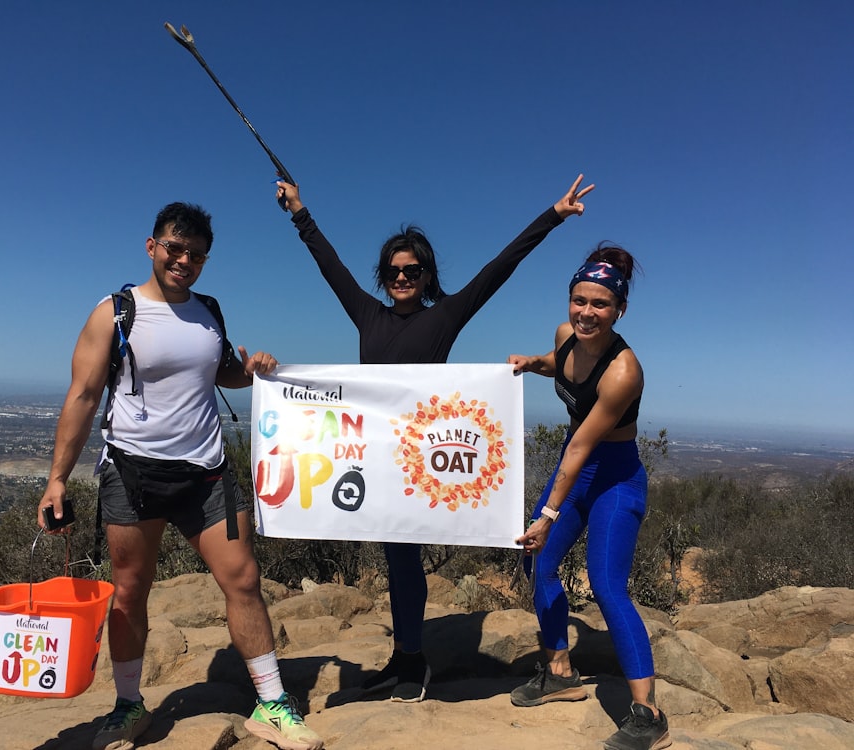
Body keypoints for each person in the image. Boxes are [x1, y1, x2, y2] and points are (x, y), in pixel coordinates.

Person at [275, 175, 594, 703]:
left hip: (420, 461)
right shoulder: (367, 314)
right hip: (374, 460)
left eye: (413, 270)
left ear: (426, 276)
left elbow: (498, 269)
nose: (403, 277)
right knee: (393, 556)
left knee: (405, 556)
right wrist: (300, 213)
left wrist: (553, 215)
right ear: (384, 276)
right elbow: (328, 264)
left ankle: (413, 659)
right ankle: (404, 655)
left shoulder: (443, 318)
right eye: (395, 271)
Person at [38, 202, 323, 750]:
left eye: (196, 254)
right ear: (152, 247)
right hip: (132, 472)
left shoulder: (209, 310)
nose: (183, 260)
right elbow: (83, 394)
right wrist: (57, 479)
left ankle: (271, 704)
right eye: (174, 248)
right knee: (128, 591)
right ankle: (128, 706)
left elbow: (219, 375)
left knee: (242, 578)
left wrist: (249, 371)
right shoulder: (115, 313)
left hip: (207, 472)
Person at [508, 245, 670, 750]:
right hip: (573, 470)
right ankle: (560, 672)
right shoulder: (565, 336)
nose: (586, 312)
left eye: (600, 304)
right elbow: (558, 365)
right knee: (543, 563)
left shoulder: (624, 370)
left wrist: (549, 512)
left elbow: (583, 443)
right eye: (579, 301)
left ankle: (649, 712)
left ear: (619, 309)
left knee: (607, 585)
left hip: (614, 478)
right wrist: (530, 362)